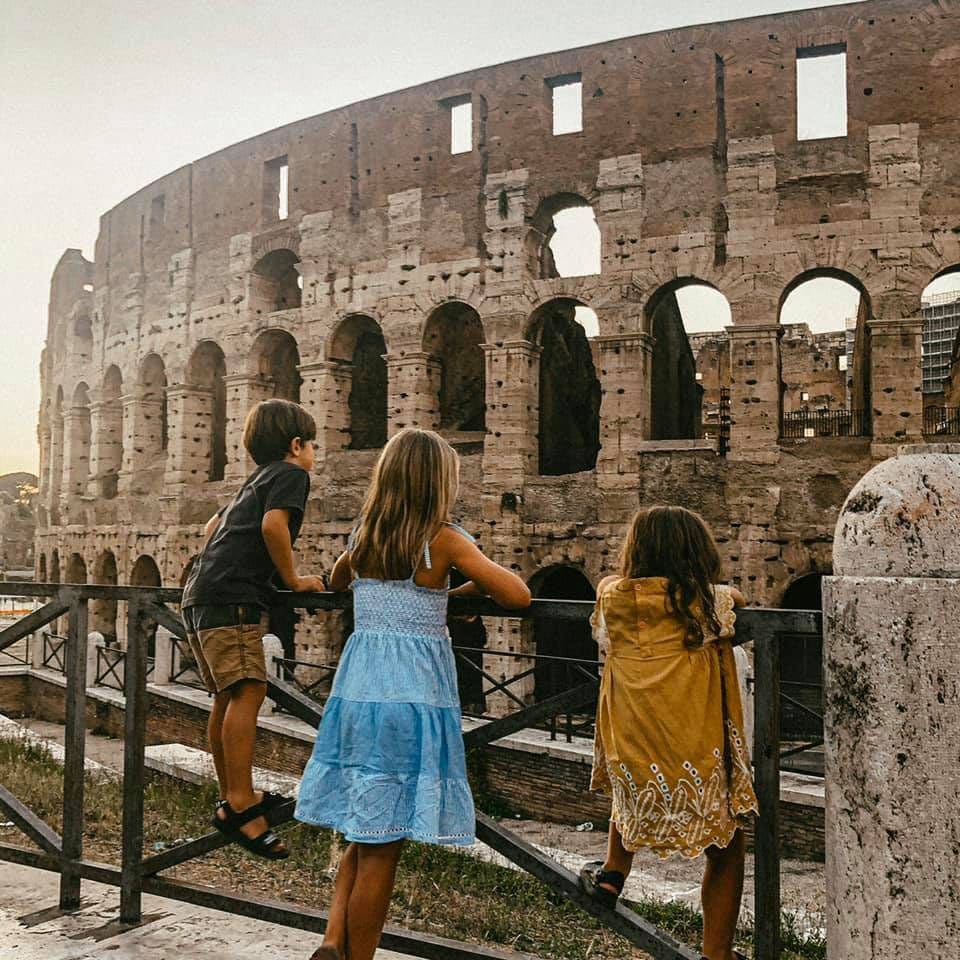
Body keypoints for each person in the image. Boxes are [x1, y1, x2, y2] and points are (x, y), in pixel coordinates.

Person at [295, 427, 531, 960]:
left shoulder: (365, 535)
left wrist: (445, 592)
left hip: (357, 694)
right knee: (384, 847)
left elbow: (337, 582)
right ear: (437, 483)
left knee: (363, 823)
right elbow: (517, 594)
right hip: (411, 698)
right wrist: (459, 588)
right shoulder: (442, 540)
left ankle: (333, 939)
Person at [578, 505, 757, 960]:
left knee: (634, 778)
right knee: (726, 848)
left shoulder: (612, 599)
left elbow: (605, 585)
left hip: (634, 749)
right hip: (693, 749)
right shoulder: (707, 605)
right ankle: (717, 954)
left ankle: (613, 871)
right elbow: (735, 598)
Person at [181, 399, 325, 860]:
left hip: (199, 593)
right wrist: (293, 579)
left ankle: (231, 798)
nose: (314, 455)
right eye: (313, 446)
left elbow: (212, 525)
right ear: (296, 444)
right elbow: (273, 525)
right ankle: (241, 802)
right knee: (248, 691)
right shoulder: (291, 475)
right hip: (232, 597)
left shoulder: (254, 479)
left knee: (226, 696)